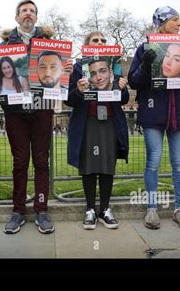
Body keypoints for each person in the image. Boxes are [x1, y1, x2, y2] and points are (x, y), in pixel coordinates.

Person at [0, 0, 72, 235]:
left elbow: (57, 71)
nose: (28, 14)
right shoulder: (5, 45)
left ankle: (42, 210)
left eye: (32, 11)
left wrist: (67, 70)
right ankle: (18, 211)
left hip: (42, 107)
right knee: (20, 161)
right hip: (15, 111)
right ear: (16, 18)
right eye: (23, 11)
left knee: (42, 161)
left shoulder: (49, 43)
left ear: (36, 17)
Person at [128, 6, 180, 231]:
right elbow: (134, 82)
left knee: (179, 162)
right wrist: (146, 65)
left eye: (179, 19)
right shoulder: (144, 48)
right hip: (153, 113)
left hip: (179, 112)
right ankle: (151, 208)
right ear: (163, 22)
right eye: (175, 20)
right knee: (154, 160)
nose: (179, 23)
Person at [66, 43, 130, 230]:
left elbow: (123, 100)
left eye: (102, 41)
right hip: (87, 122)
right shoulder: (78, 68)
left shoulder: (116, 67)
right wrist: (78, 90)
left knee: (107, 166)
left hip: (110, 122)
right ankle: (90, 210)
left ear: (110, 71)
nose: (98, 76)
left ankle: (104, 209)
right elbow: (68, 99)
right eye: (94, 41)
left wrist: (123, 89)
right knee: (89, 166)